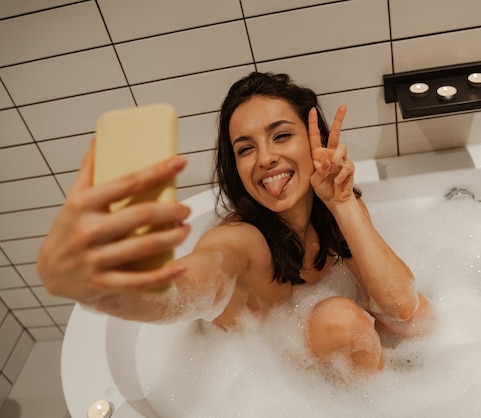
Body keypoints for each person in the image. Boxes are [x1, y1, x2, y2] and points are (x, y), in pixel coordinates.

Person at [37, 72, 430, 375]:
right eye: (245, 148)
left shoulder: (336, 205)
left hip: (347, 368)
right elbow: (185, 289)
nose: (265, 158)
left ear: (315, 143)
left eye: (281, 135)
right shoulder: (240, 242)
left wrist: (343, 204)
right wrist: (108, 285)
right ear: (235, 166)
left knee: (421, 318)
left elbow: (403, 310)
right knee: (340, 320)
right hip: (280, 382)